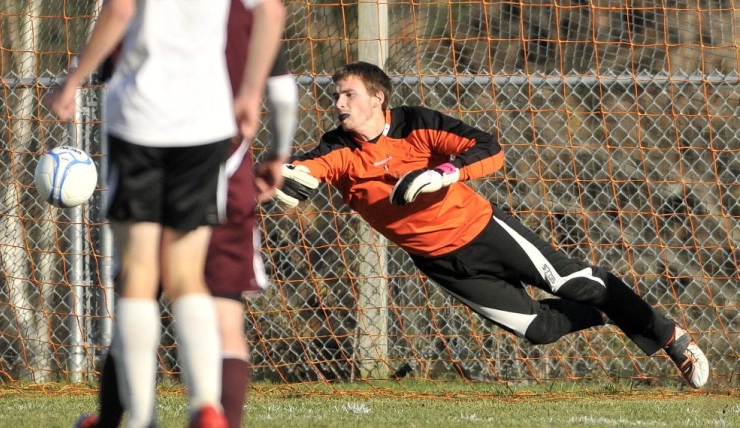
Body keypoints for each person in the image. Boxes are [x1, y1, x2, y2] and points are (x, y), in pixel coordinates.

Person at [275, 61, 710, 389]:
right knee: (540, 330)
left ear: (377, 98)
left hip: (485, 230)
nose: (338, 104)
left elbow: (490, 150)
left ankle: (673, 338)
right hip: (439, 263)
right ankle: (614, 310)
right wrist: (287, 175)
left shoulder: (416, 124)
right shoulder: (337, 148)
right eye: (336, 96)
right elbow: (309, 168)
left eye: (348, 95)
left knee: (576, 281)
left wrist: (442, 174)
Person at [44, 0, 286, 427]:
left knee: (139, 274)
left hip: (141, 119)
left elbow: (119, 10)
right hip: (206, 122)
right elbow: (271, 12)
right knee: (188, 275)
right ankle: (207, 407)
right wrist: (249, 92)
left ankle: (141, 417)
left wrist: (73, 80)